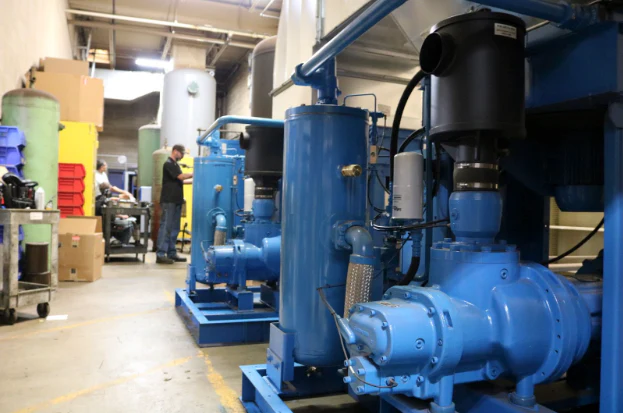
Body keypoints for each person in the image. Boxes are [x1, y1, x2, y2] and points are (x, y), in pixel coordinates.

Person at [156, 144, 193, 264]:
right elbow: (181, 177)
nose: (182, 156)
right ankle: (161, 254)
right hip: (169, 201)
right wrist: (195, 172)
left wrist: (195, 180)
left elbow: (180, 181)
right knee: (166, 227)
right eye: (181, 153)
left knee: (174, 228)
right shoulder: (168, 164)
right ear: (175, 151)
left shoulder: (176, 165)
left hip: (176, 201)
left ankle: (171, 253)